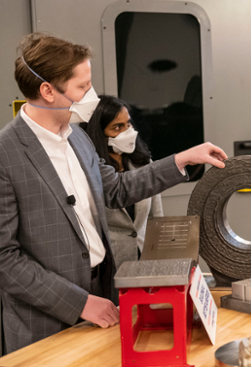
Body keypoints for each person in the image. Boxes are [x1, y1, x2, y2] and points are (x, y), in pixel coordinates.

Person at [0, 32, 227, 353]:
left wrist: (182, 159)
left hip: (100, 296)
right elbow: (4, 259)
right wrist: (79, 303)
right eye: (82, 87)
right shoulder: (6, 154)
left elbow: (117, 189)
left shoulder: (77, 138)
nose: (90, 95)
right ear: (47, 91)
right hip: (46, 320)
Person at [82, 95, 163, 271]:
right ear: (98, 133)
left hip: (144, 259)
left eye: (128, 124)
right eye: (117, 127)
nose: (127, 131)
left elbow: (155, 218)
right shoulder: (89, 171)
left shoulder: (143, 163)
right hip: (108, 264)